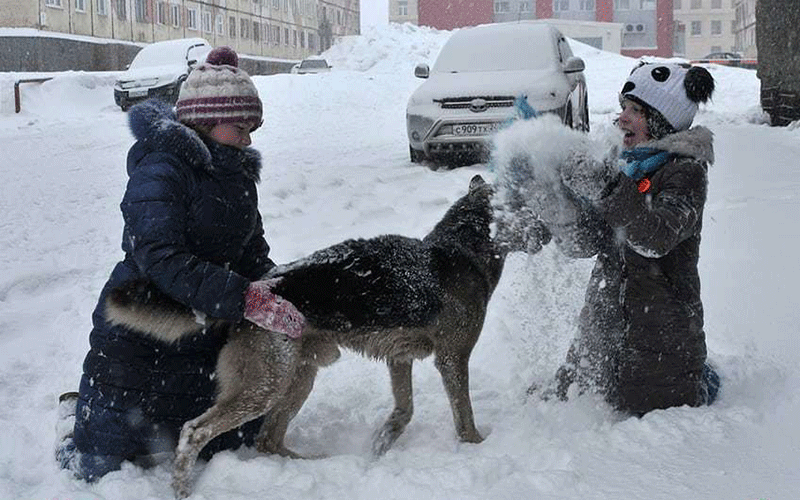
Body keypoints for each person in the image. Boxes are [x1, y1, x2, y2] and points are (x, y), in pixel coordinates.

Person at [56, 46, 305, 480]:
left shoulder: (238, 175)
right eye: (239, 126)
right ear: (204, 122)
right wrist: (242, 297)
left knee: (226, 441)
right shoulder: (161, 167)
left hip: (205, 324)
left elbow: (252, 251)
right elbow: (159, 256)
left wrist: (283, 290)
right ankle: (73, 418)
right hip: (141, 322)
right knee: (97, 464)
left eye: (254, 127)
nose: (249, 138)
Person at [530, 62, 720, 416]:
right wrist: (549, 191)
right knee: (574, 398)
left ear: (662, 120)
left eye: (636, 110)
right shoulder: (626, 166)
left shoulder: (685, 172)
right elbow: (586, 242)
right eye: (623, 108)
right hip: (601, 334)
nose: (622, 118)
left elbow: (655, 238)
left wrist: (606, 186)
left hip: (659, 346)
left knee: (639, 411)